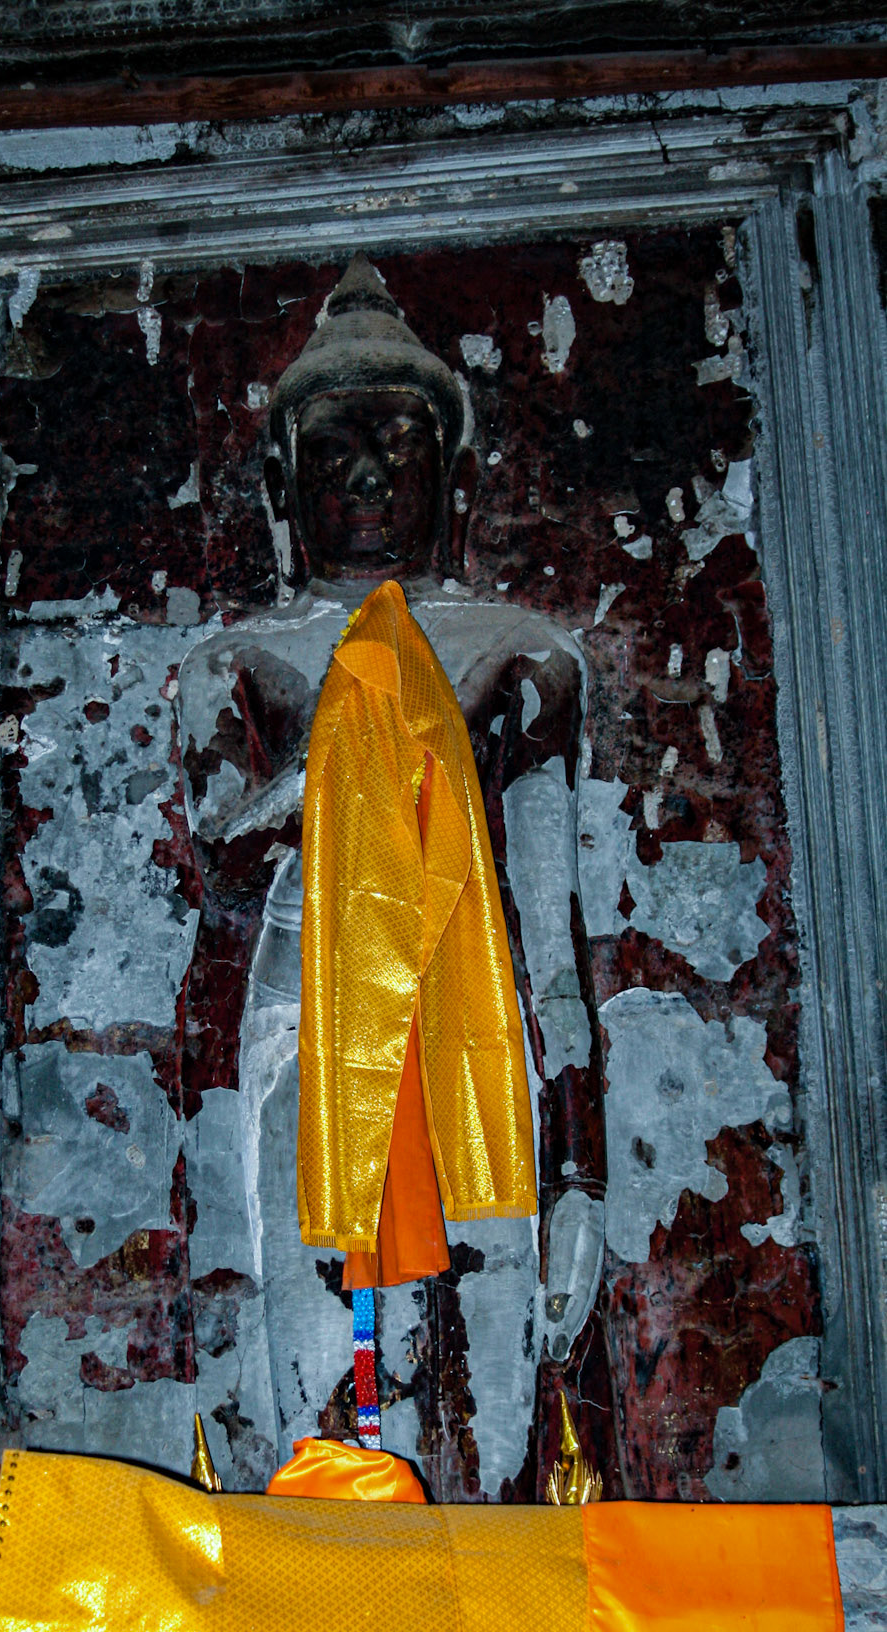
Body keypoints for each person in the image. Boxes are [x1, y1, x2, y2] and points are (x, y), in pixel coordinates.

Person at [178, 257, 606, 1499]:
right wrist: (392, 741)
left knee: (490, 1383)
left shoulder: (523, 657)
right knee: (313, 1361)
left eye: (397, 444)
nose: (367, 476)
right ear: (282, 482)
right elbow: (226, 858)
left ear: (451, 474)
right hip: (301, 1032)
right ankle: (328, 1614)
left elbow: (549, 921)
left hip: (477, 1039)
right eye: (335, 449)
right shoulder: (243, 660)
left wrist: (576, 1166)